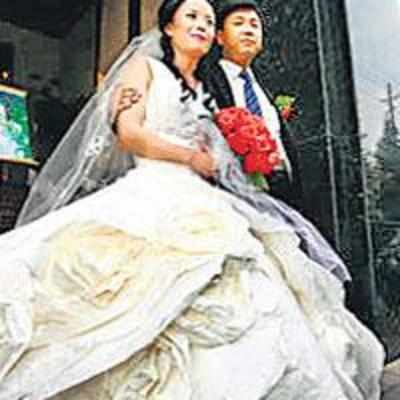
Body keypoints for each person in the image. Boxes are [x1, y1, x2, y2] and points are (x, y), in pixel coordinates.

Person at [0, 0, 384, 399]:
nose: (202, 24)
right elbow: (129, 134)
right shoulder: (142, 69)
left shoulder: (208, 91)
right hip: (153, 190)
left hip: (208, 198)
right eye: (192, 17)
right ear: (168, 27)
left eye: (208, 19)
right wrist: (190, 157)